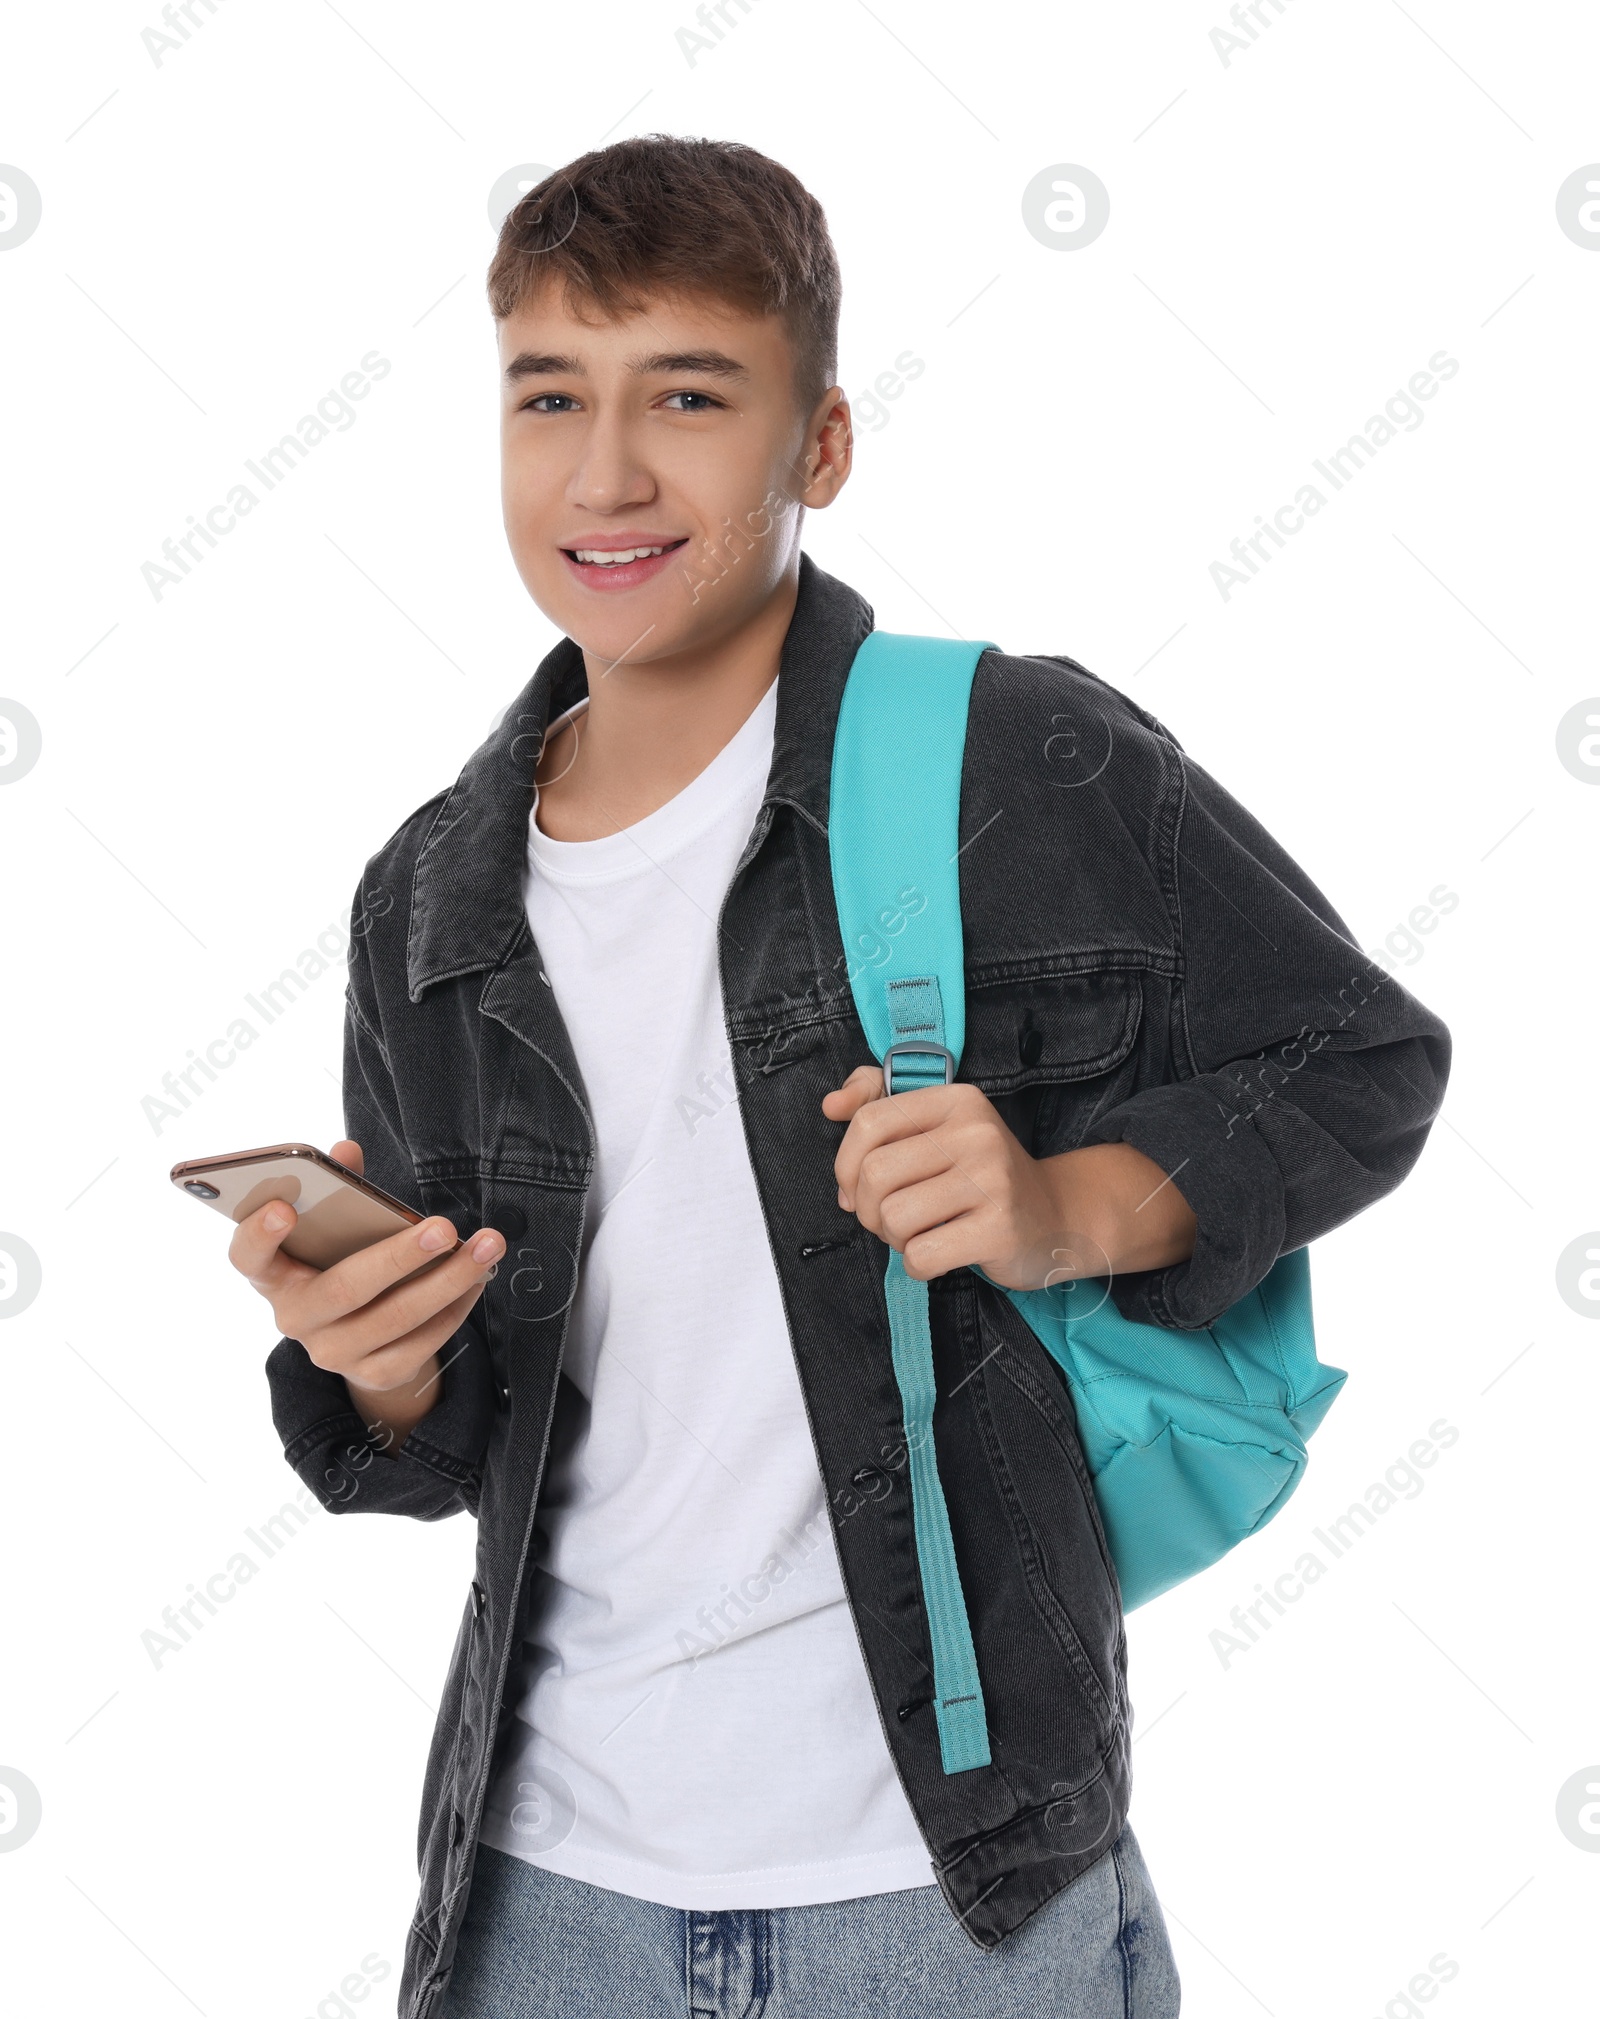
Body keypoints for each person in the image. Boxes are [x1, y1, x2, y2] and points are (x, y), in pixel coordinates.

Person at [234, 135, 1450, 2019]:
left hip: (945, 1898)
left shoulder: (1009, 758)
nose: (606, 471)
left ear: (821, 451)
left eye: (690, 399)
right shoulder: (430, 895)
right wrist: (380, 1370)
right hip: (539, 1896)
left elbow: (1359, 1058)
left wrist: (1078, 1208)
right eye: (550, 395)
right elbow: (471, 1438)